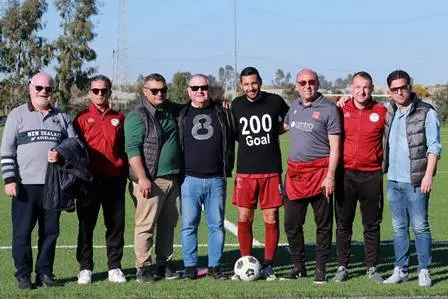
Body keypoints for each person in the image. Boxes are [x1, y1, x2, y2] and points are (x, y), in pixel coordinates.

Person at [0, 72, 76, 290]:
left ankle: (45, 272)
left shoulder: (61, 117)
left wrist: (60, 153)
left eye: (48, 89)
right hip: (24, 185)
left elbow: (75, 145)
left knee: (50, 232)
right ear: (30, 88)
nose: (43, 92)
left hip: (54, 187)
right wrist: (10, 179)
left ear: (53, 91)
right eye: (39, 88)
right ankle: (23, 275)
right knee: (22, 232)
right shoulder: (17, 115)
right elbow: (7, 150)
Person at [382, 70, 441, 287]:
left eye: (403, 87)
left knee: (420, 227)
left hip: (416, 181)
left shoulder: (426, 112)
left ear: (409, 86)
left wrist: (428, 175)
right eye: (394, 89)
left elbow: (434, 146)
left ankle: (424, 270)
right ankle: (401, 269)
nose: (399, 92)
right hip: (394, 181)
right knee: (398, 228)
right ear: (390, 91)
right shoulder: (390, 111)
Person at [231, 66, 289, 280]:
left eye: (253, 83)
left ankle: (268, 265)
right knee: (244, 217)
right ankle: (245, 261)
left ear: (260, 82)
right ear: (241, 85)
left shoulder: (275, 101)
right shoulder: (236, 105)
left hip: (271, 170)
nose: (250, 88)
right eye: (246, 84)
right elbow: (236, 133)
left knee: (271, 217)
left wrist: (275, 130)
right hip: (245, 171)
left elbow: (289, 120)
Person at [283, 68, 341, 284]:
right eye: (303, 82)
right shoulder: (294, 106)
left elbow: (335, 147)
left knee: (323, 225)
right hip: (295, 175)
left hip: (320, 175)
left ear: (318, 83)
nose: (307, 86)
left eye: (311, 82)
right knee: (291, 224)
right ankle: (299, 266)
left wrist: (330, 176)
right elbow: (283, 126)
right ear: (297, 86)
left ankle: (321, 268)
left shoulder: (329, 109)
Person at [124, 73, 182, 283]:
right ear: (145, 91)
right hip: (150, 179)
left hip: (172, 178)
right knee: (146, 224)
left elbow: (193, 106)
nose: (160, 94)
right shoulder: (137, 116)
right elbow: (132, 149)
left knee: (168, 224)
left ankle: (164, 262)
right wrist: (142, 178)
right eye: (155, 90)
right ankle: (143, 266)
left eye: (163, 90)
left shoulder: (170, 109)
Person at [178, 74, 235, 280]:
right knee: (188, 225)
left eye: (203, 87)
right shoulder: (181, 113)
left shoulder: (222, 111)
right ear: (188, 91)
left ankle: (215, 266)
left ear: (209, 89)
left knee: (216, 225)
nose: (199, 91)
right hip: (188, 179)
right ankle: (190, 267)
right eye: (195, 88)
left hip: (216, 179)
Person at [333, 71, 386, 283]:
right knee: (343, 224)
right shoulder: (340, 109)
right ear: (351, 89)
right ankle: (342, 266)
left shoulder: (382, 111)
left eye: (366, 87)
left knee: (371, 224)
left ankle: (372, 268)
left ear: (372, 89)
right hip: (345, 174)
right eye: (357, 87)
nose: (361, 91)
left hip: (371, 175)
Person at [73, 75, 127, 284]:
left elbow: (124, 148)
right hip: (88, 182)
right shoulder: (81, 118)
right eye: (96, 91)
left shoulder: (119, 118)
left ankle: (114, 267)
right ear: (90, 93)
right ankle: (85, 267)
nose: (100, 94)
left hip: (114, 180)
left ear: (109, 92)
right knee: (86, 226)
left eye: (104, 91)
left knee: (115, 226)